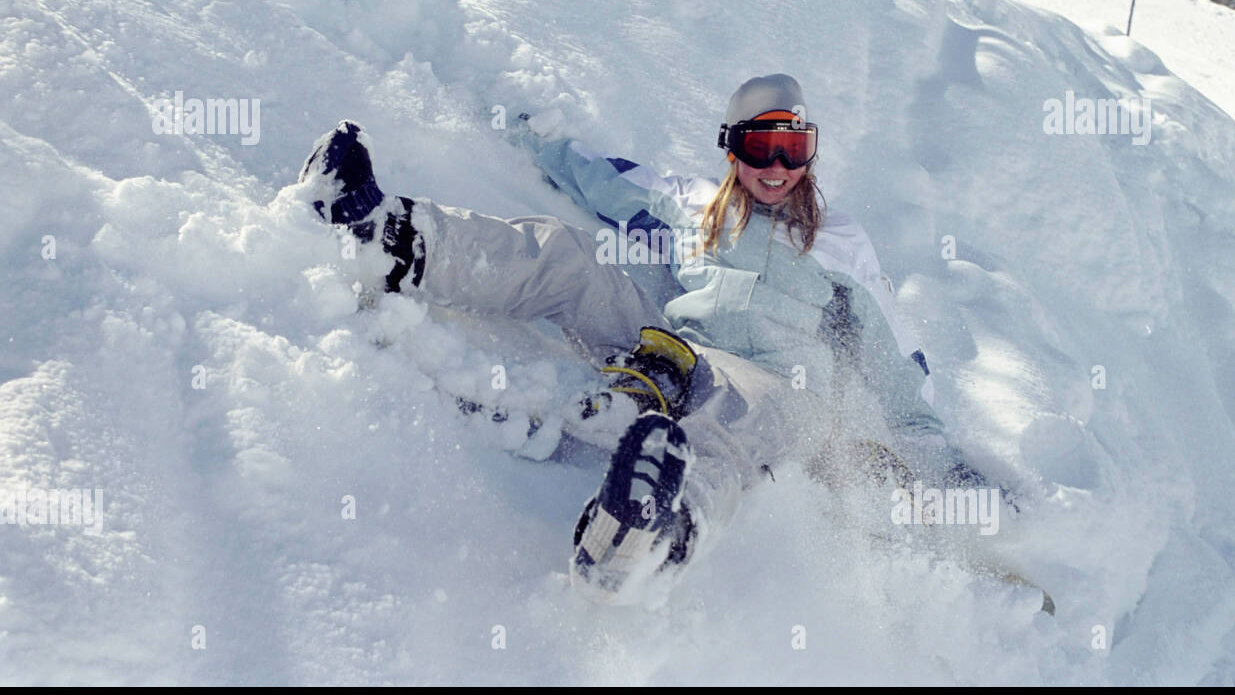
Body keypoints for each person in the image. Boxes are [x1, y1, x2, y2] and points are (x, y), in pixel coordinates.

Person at [297, 74, 980, 605]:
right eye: (758, 146)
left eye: (793, 148)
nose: (776, 166)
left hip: (781, 393)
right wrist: (530, 130)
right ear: (731, 147)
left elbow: (898, 370)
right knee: (567, 259)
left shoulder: (840, 246)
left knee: (739, 420)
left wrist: (944, 469)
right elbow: (598, 177)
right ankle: (391, 239)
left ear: (811, 151)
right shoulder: (690, 210)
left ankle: (652, 536)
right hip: (676, 358)